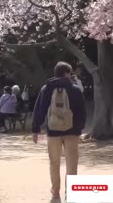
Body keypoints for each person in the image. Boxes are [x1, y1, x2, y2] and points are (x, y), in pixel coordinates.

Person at [32, 62, 86, 200]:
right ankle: (71, 192)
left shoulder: (46, 88)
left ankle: (55, 192)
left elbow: (40, 109)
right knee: (71, 164)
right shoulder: (75, 89)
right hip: (72, 132)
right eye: (70, 73)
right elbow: (81, 112)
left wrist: (35, 129)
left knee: (54, 162)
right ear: (66, 73)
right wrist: (79, 128)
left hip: (53, 131)